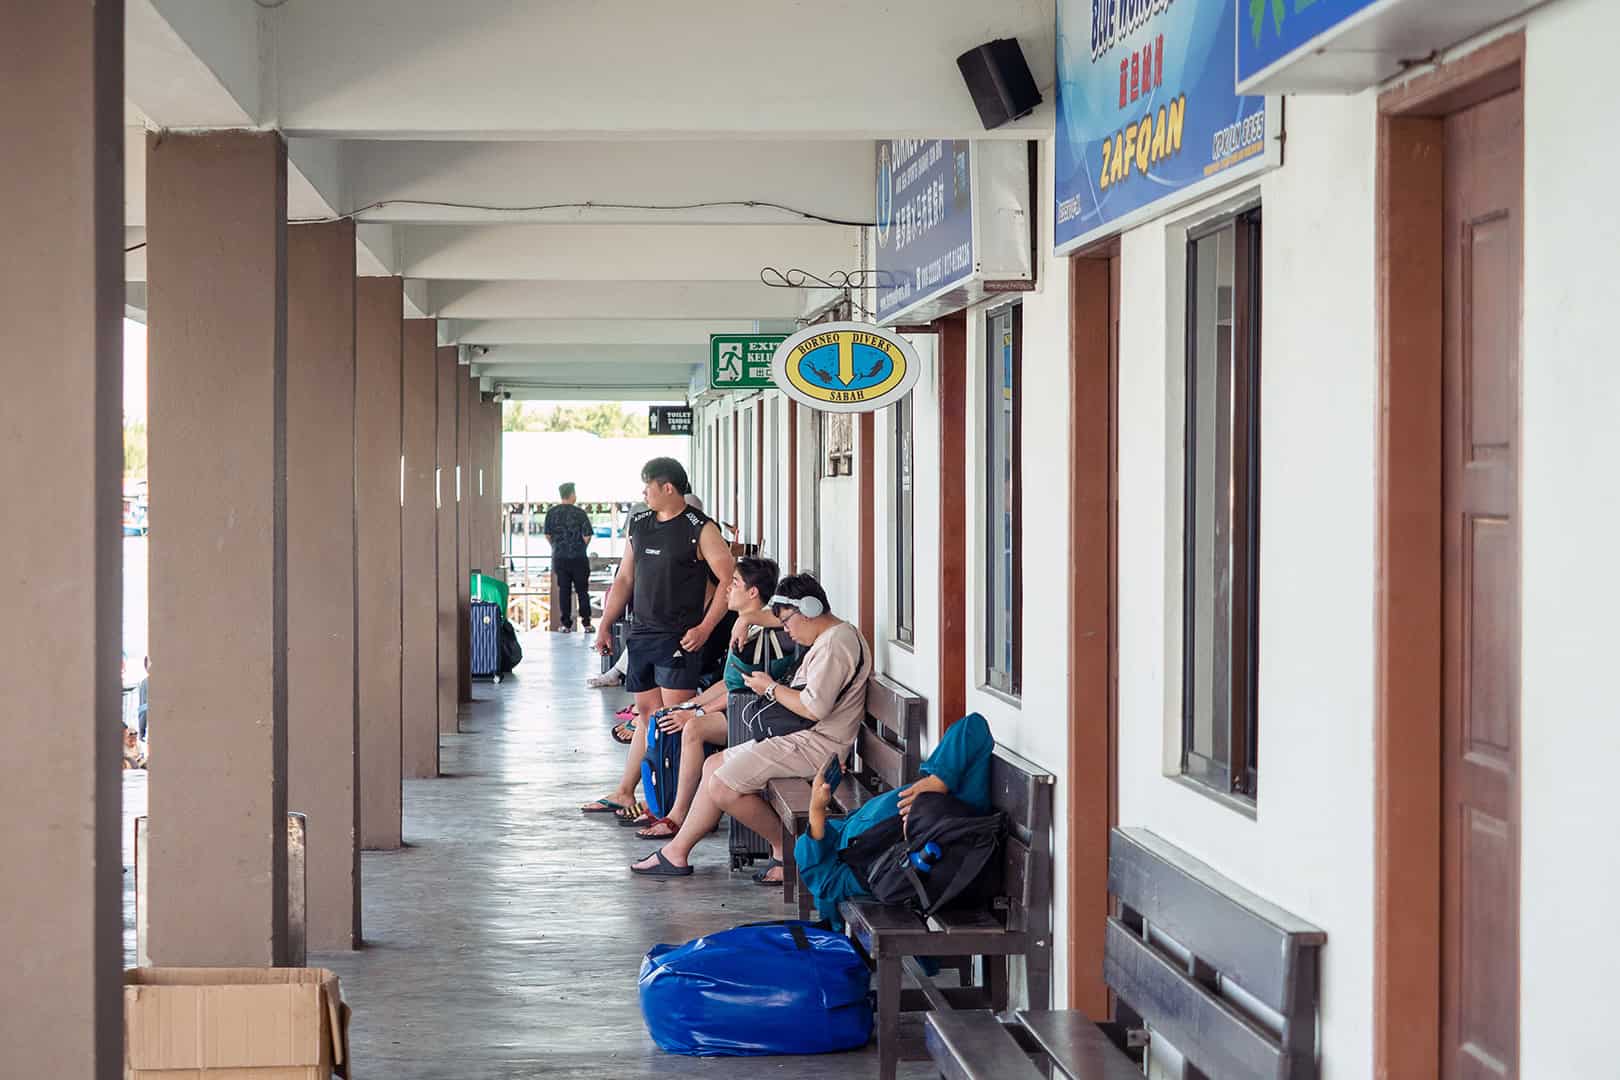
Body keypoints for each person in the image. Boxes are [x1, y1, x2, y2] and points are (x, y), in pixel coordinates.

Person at [630, 574, 871, 880]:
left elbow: (813, 707)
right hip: (803, 737)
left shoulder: (837, 644)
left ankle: (787, 851)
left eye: (787, 622)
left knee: (722, 784)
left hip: (817, 745)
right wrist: (744, 622)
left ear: (809, 609)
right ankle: (676, 852)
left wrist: (769, 688)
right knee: (713, 763)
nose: (786, 630)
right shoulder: (831, 636)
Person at [582, 458, 735, 819]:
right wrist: (605, 624)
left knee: (673, 719)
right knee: (648, 714)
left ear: (668, 488)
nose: (643, 493)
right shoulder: (640, 524)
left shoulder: (701, 528)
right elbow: (624, 580)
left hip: (679, 638)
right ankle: (625, 791)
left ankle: (672, 806)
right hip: (642, 634)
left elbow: (729, 580)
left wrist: (705, 628)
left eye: (648, 485)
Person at [633, 556, 787, 840]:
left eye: (735, 584)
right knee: (674, 716)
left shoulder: (759, 636)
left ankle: (679, 814)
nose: (727, 589)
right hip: (739, 707)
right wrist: (691, 705)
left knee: (693, 728)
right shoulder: (745, 625)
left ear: (753, 592)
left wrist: (697, 714)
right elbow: (726, 683)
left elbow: (740, 690)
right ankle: (671, 803)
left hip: (750, 715)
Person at [796, 712, 995, 928]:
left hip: (879, 844)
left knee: (818, 857)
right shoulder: (961, 802)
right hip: (893, 845)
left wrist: (938, 781)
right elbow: (973, 726)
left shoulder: (849, 852)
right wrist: (939, 781)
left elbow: (973, 726)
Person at [544, 482, 595, 633]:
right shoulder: (580, 513)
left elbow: (547, 534)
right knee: (582, 591)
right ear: (572, 494)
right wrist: (581, 547)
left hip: (560, 558)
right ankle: (587, 624)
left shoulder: (551, 513)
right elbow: (587, 535)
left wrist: (557, 547)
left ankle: (566, 625)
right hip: (579, 557)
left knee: (564, 591)